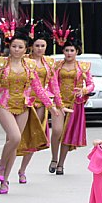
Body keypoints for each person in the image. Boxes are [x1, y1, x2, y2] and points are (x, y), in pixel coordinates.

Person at [0, 23, 58, 194]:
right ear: (9, 47)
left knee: (14, 143)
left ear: (26, 49)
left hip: (24, 106)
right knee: (15, 137)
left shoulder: (29, 66)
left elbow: (38, 88)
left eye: (20, 47)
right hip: (5, 104)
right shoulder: (2, 64)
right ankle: (1, 165)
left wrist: (51, 106)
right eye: (14, 46)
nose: (16, 50)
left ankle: (4, 181)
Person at [17, 22, 64, 183]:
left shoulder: (49, 63)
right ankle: (6, 162)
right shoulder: (23, 60)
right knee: (17, 135)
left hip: (42, 102)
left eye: (42, 45)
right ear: (31, 46)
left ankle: (22, 170)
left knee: (34, 136)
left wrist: (59, 104)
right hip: (24, 102)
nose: (39, 48)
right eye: (37, 45)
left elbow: (54, 84)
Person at [49, 23, 94, 175]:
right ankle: (54, 158)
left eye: (72, 50)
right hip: (58, 102)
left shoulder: (83, 67)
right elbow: (51, 82)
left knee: (67, 134)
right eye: (66, 50)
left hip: (75, 103)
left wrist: (84, 90)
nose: (69, 53)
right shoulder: (56, 66)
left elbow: (91, 84)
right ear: (63, 51)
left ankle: (61, 164)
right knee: (57, 130)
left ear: (77, 52)